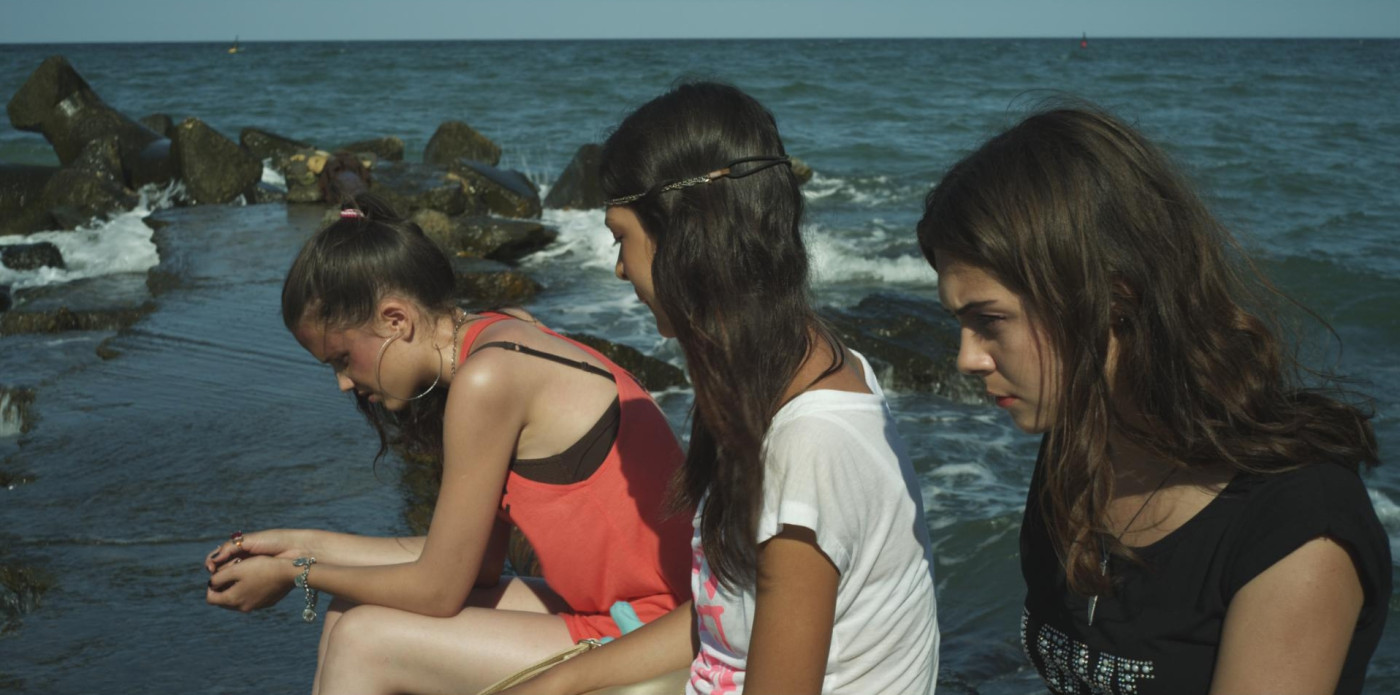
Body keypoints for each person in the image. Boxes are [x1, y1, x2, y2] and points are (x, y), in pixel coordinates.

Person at [918, 104, 1391, 694]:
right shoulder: (1080, 449)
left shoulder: (1296, 530)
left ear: (1114, 297)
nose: (967, 359)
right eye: (959, 324)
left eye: (989, 321)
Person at [503, 82, 939, 695]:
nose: (620, 268)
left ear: (686, 235)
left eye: (621, 238)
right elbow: (722, 617)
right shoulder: (801, 367)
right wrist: (556, 681)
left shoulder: (806, 446)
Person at [203, 193, 693, 695]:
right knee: (350, 610)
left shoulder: (488, 379)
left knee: (363, 640)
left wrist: (297, 573)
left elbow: (438, 590)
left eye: (342, 359)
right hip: (623, 606)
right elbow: (470, 564)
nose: (343, 384)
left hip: (650, 629)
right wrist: (301, 545)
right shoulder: (502, 332)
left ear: (396, 320)